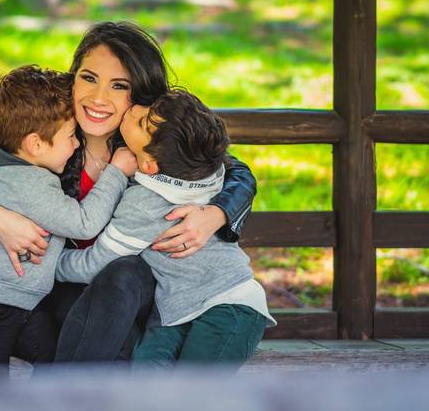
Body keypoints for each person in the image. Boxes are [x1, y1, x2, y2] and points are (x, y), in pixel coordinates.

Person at [0, 21, 257, 362]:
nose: (98, 98)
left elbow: (236, 171)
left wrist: (217, 214)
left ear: (139, 92)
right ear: (73, 77)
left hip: (134, 289)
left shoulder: (150, 141)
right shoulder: (43, 129)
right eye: (89, 77)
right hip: (54, 289)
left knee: (124, 272)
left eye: (119, 85)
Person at [56, 89, 275, 366]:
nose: (134, 109)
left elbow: (93, 265)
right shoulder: (202, 164)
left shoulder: (144, 205)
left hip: (230, 304)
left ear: (148, 165)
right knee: (147, 378)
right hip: (174, 308)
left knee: (193, 387)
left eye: (141, 122)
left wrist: (50, 262)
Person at [0, 65, 136, 372]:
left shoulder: (16, 168)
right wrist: (115, 172)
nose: (76, 145)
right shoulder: (28, 183)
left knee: (60, 366)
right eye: (71, 136)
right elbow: (83, 223)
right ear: (35, 144)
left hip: (26, 309)